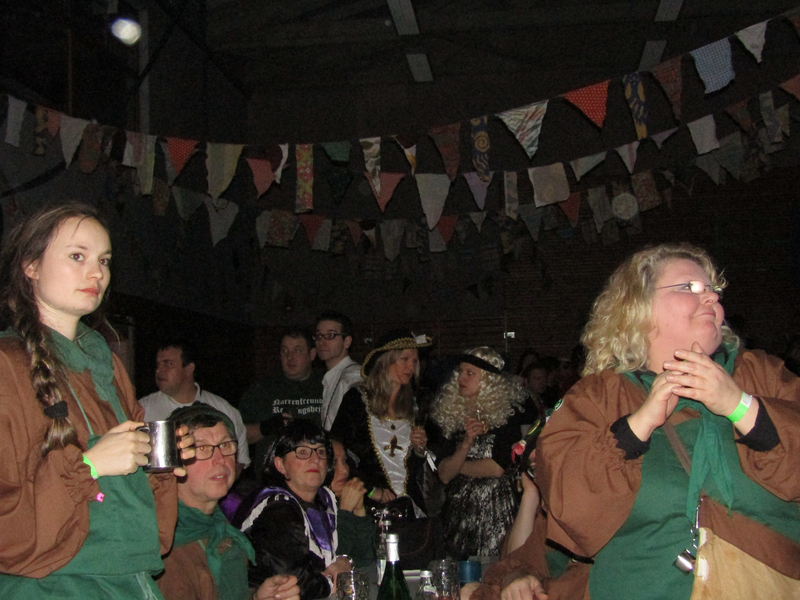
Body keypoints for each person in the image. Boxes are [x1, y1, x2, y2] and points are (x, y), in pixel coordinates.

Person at [502, 242, 800, 600]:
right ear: (638, 309)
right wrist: (637, 426)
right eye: (690, 287)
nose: (711, 298)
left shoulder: (762, 375)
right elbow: (567, 505)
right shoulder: (598, 398)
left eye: (713, 290)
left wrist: (738, 405)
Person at [0, 203, 194, 597]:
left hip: (131, 580)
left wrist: (158, 460)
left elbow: (135, 513)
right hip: (55, 585)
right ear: (31, 266)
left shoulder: (108, 365)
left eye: (104, 260)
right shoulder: (8, 365)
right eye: (77, 256)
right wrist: (90, 465)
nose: (97, 273)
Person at [158, 403, 301, 600]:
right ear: (173, 461)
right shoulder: (162, 545)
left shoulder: (221, 528)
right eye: (202, 448)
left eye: (225, 445)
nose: (220, 459)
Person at [432, 347, 536, 559]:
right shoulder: (449, 417)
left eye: (470, 373)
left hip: (496, 509)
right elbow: (443, 475)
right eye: (460, 372)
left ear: (488, 380)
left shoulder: (507, 415)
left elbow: (497, 468)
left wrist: (456, 465)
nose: (461, 378)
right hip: (458, 512)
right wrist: (465, 444)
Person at [232, 420, 352, 600]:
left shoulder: (325, 500)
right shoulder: (277, 510)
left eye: (320, 452)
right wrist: (334, 579)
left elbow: (359, 553)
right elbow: (293, 582)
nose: (315, 459)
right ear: (281, 465)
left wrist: (345, 561)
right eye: (302, 452)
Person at [330, 330, 433, 516]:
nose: (410, 366)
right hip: (370, 507)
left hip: (409, 508)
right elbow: (337, 452)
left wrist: (419, 450)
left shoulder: (413, 407)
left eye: (414, 361)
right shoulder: (357, 401)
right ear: (386, 361)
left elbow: (416, 472)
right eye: (404, 359)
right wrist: (370, 490)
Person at [139, 338, 251, 473]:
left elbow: (239, 462)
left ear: (189, 369)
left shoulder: (223, 410)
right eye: (158, 365)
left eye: (168, 364)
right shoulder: (141, 410)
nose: (159, 370)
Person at [239, 327, 323, 482]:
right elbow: (237, 434)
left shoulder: (327, 385)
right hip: (272, 480)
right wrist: (266, 428)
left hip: (317, 478)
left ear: (312, 354)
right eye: (285, 351)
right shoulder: (262, 388)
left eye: (297, 350)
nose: (290, 357)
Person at [329, 437, 376, 569]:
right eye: (334, 463)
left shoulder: (337, 500)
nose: (344, 470)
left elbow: (365, 558)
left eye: (344, 461)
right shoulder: (311, 507)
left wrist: (359, 511)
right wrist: (345, 511)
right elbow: (334, 560)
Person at [314, 311, 362, 431]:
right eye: (319, 336)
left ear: (347, 342)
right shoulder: (333, 376)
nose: (322, 342)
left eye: (330, 335)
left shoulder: (353, 376)